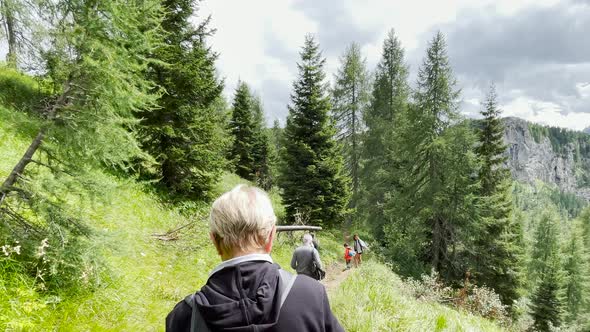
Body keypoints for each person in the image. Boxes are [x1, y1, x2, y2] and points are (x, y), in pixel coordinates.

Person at [166, 185, 343, 332]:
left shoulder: (184, 317)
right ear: (271, 236)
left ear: (214, 241)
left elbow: (292, 264)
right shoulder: (310, 294)